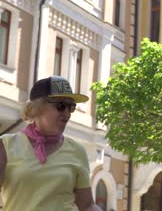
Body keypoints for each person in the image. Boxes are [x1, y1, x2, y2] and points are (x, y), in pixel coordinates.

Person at [0, 76, 102, 211]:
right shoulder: (7, 145)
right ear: (36, 108)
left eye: (71, 107)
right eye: (61, 106)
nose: (67, 113)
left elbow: (87, 205)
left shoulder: (77, 151)